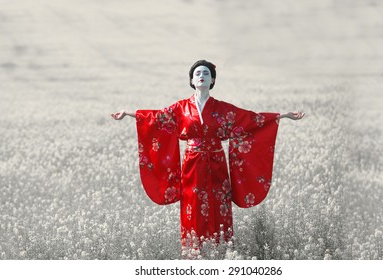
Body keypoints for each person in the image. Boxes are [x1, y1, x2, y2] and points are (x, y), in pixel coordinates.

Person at [111, 60, 304, 257]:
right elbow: (157, 118)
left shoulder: (222, 108)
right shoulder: (181, 107)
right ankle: (194, 251)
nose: (201, 75)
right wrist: (128, 113)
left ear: (212, 80)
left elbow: (250, 120)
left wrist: (282, 116)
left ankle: (222, 250)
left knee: (219, 202)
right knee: (192, 204)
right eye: (197, 73)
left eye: (206, 73)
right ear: (192, 81)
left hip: (217, 162)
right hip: (192, 163)